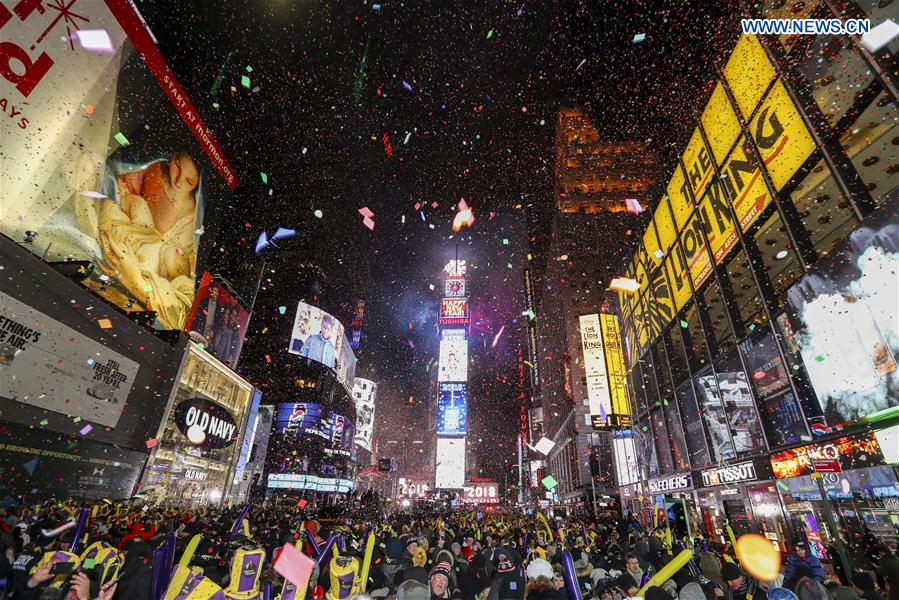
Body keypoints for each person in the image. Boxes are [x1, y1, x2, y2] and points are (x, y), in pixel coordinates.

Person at [93, 150, 202, 330]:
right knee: (119, 208)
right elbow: (123, 187)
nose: (178, 181)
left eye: (189, 181)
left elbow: (179, 283)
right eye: (177, 167)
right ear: (173, 158)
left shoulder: (193, 218)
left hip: (142, 264)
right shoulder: (154, 172)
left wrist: (138, 277)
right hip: (141, 234)